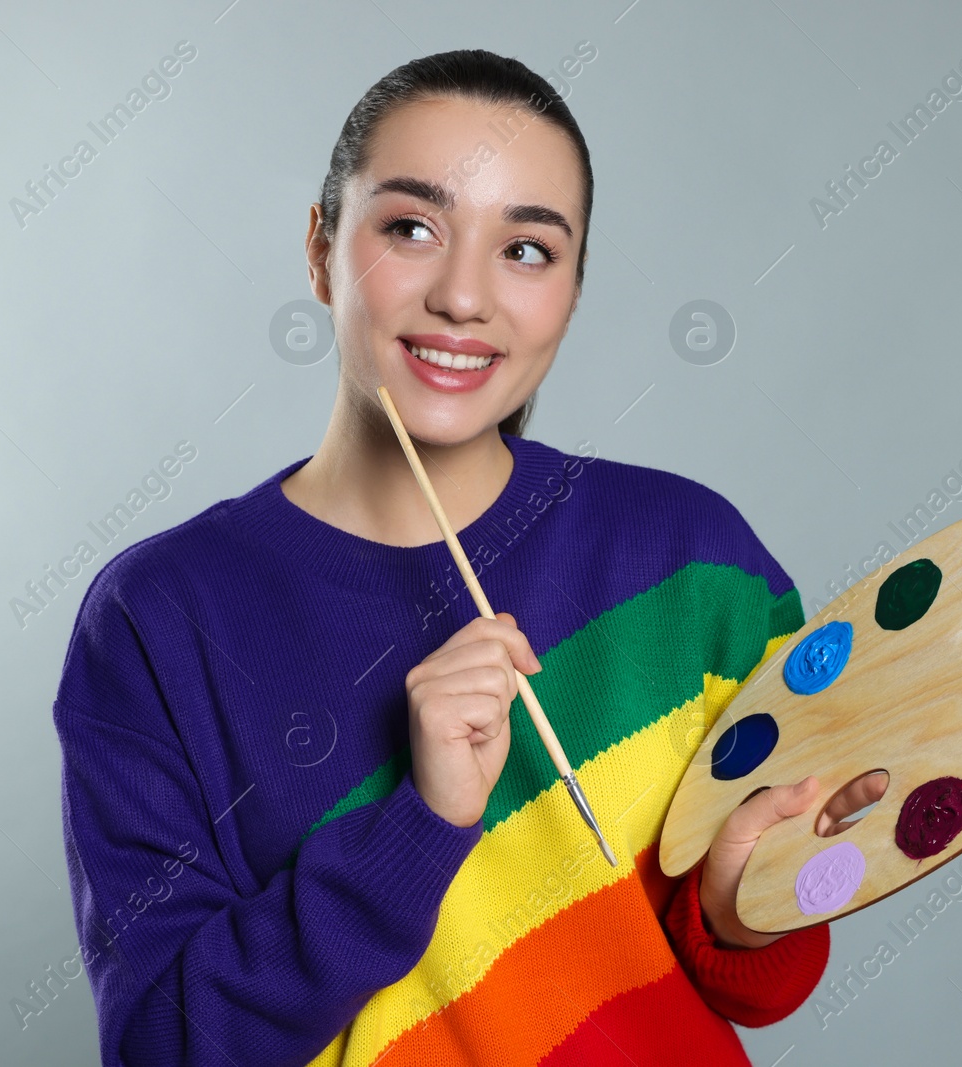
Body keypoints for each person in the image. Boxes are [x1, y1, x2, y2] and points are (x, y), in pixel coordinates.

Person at [53, 48, 881, 1066]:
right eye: (411, 227)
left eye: (526, 249)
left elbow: (749, 985)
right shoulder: (158, 616)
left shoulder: (692, 556)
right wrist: (421, 820)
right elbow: (165, 1047)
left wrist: (747, 904)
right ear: (320, 249)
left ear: (572, 289)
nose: (462, 296)